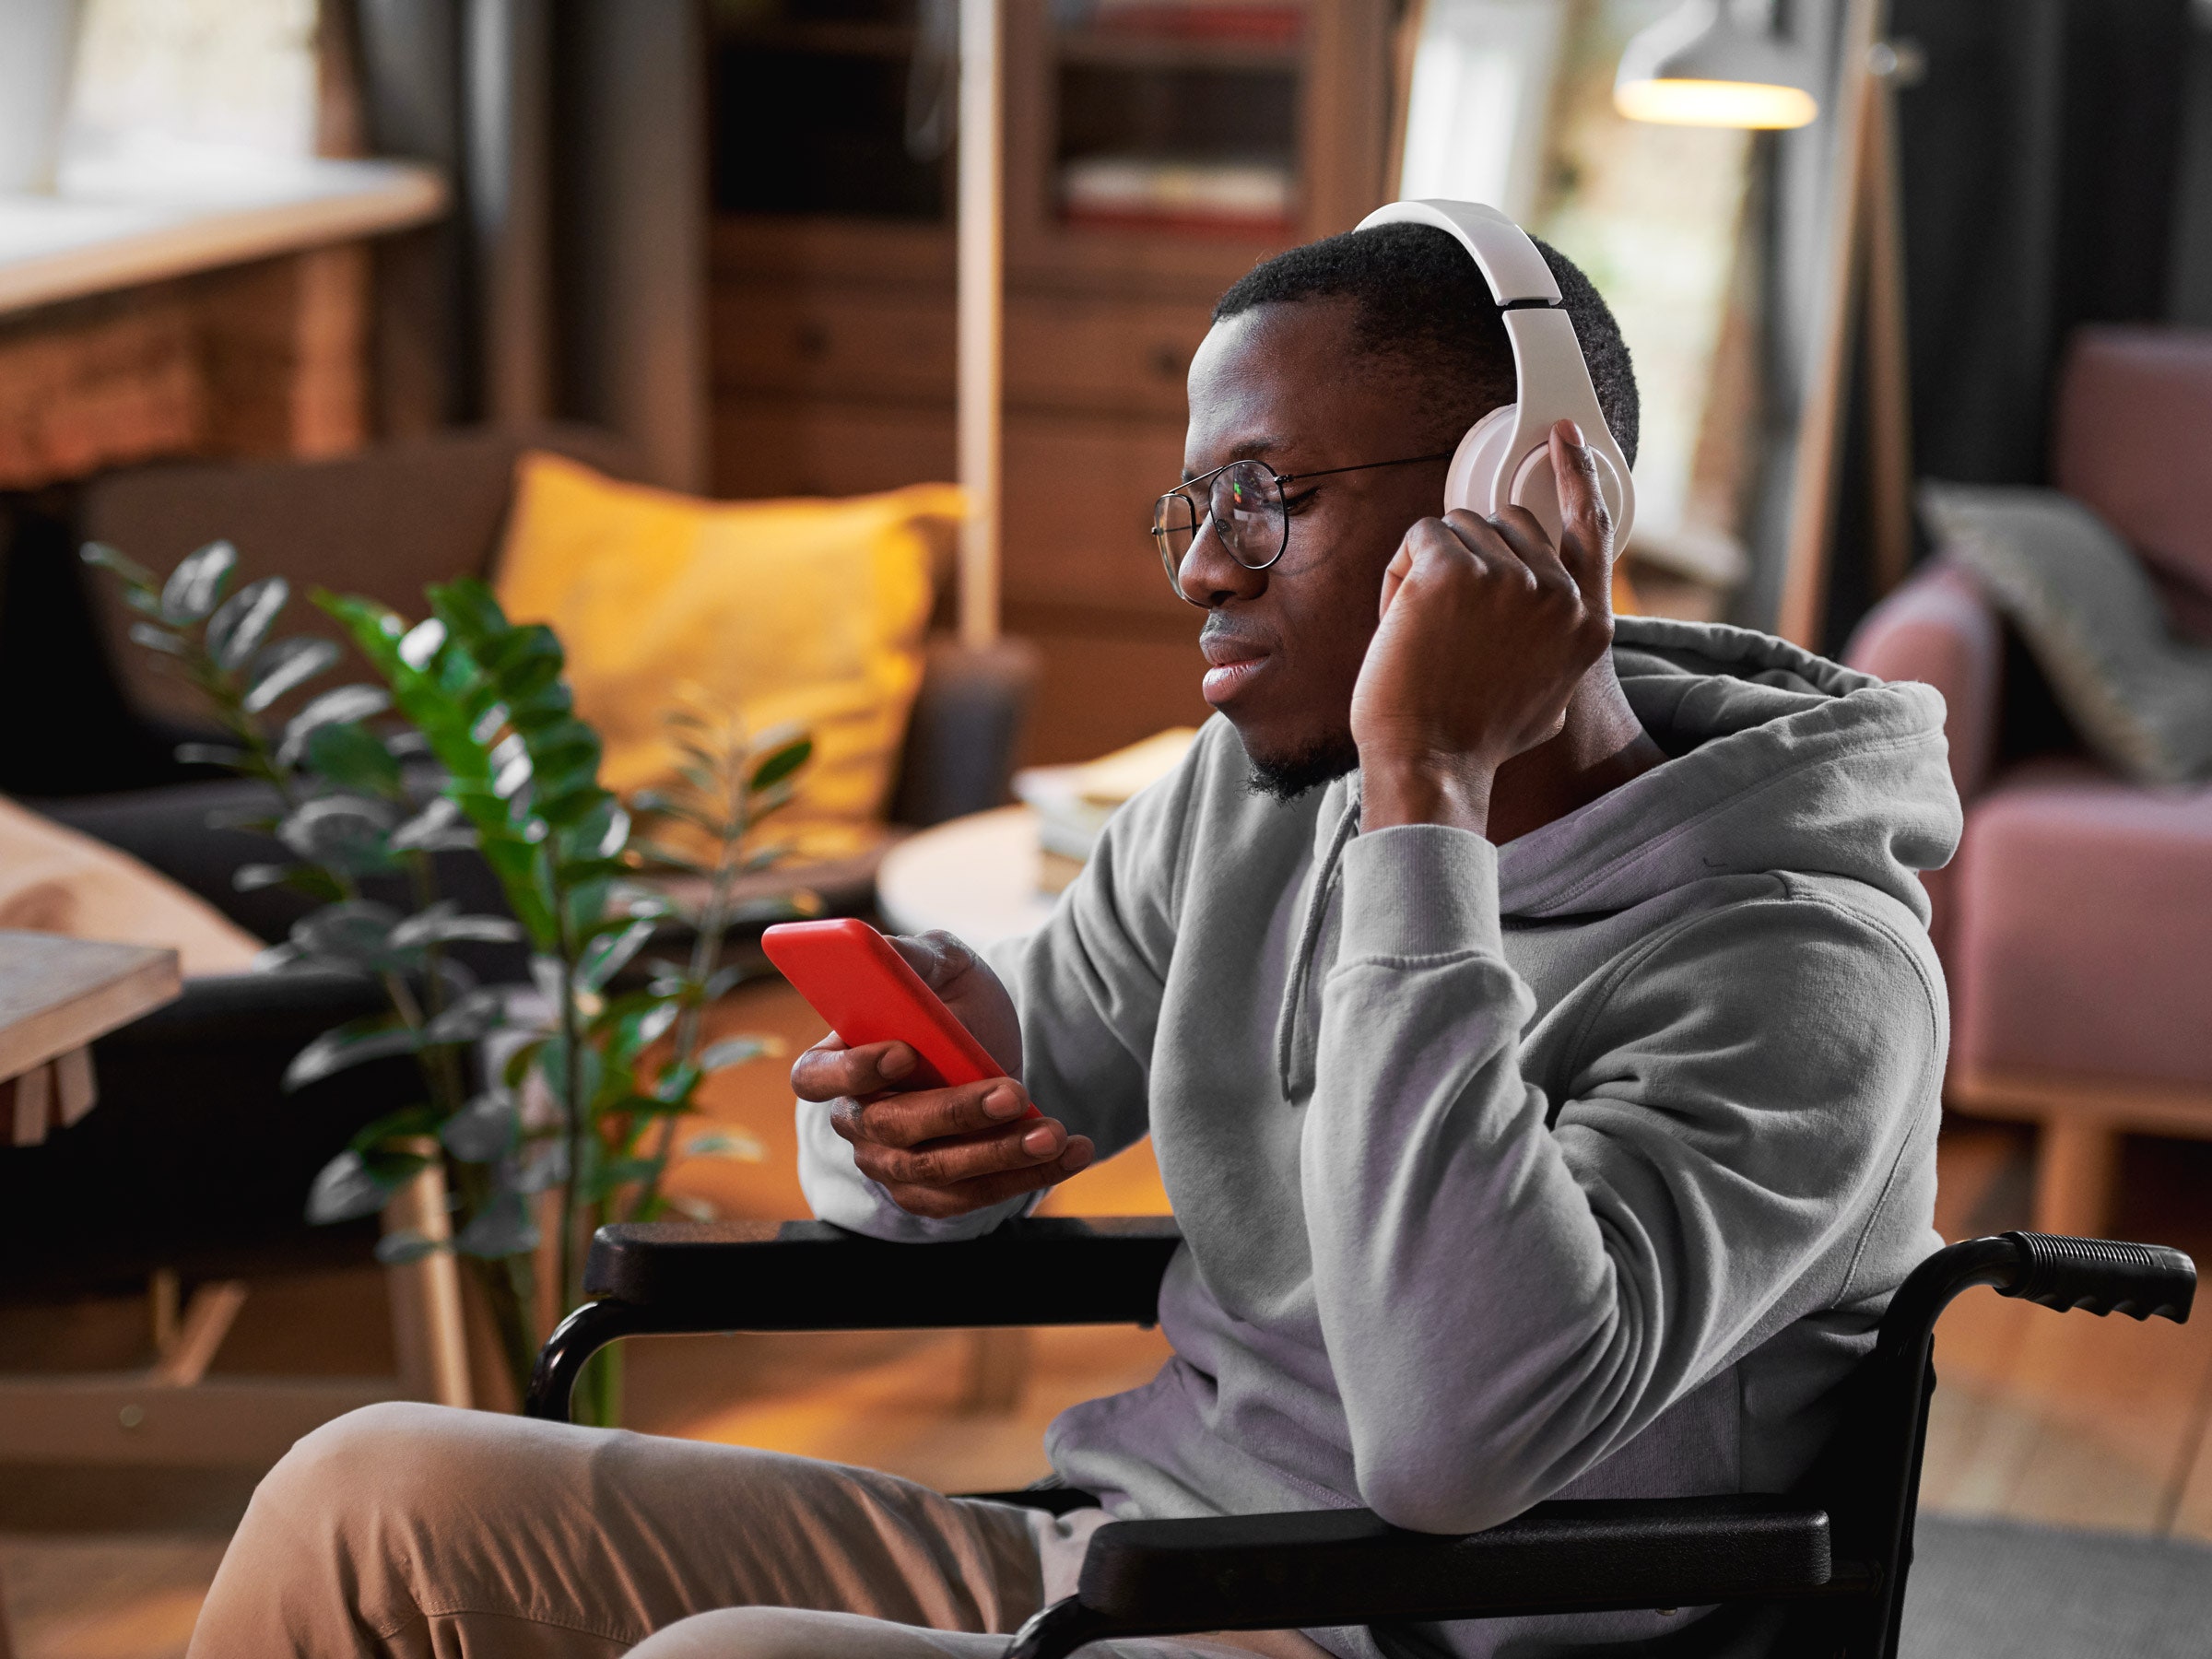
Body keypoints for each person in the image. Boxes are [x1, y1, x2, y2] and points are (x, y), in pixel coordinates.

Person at [187, 218, 1959, 1659]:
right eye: (1193, 511)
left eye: (1267, 500)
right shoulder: (1250, 796)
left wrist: (1430, 793)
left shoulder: (1801, 964)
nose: (1201, 568)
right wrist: (891, 1129)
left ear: (1525, 496)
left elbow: (1450, 1454)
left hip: (1415, 1629)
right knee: (368, 1500)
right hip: (1136, 1568)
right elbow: (975, 1128)